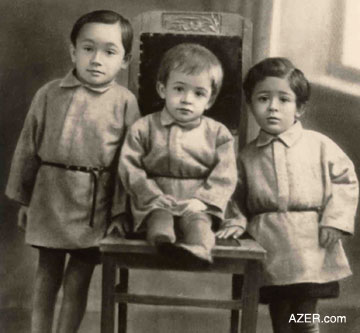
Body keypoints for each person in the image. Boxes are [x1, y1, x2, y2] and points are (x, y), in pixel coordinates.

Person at [5, 10, 140, 333]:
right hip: (50, 196)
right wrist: (24, 200)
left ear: (125, 60)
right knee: (46, 275)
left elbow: (130, 161)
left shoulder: (125, 102)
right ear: (73, 51)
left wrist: (121, 212)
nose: (96, 59)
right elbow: (27, 148)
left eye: (109, 51)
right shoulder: (49, 94)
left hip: (95, 204)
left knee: (78, 280)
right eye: (88, 48)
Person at [220, 57, 358, 332]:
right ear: (250, 104)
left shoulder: (319, 145)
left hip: (309, 244)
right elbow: (235, 197)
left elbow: (345, 180)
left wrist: (335, 220)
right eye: (262, 99)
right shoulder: (247, 156)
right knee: (281, 317)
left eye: (283, 99)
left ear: (300, 108)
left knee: (305, 315)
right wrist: (236, 221)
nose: (272, 107)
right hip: (270, 244)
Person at [119, 43, 243, 264]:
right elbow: (130, 166)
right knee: (158, 219)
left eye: (198, 93)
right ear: (162, 89)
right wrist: (152, 196)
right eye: (179, 89)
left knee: (199, 223)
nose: (187, 99)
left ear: (210, 101)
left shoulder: (217, 133)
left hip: (197, 203)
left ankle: (198, 249)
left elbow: (225, 174)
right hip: (155, 199)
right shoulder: (143, 127)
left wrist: (202, 201)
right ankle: (163, 243)